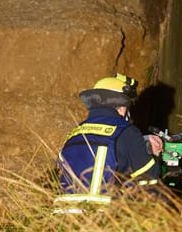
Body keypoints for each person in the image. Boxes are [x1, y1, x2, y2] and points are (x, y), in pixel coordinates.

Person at [55, 73, 163, 209]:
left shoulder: (74, 133)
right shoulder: (127, 131)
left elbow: (100, 145)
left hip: (63, 217)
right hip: (101, 216)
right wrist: (154, 154)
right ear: (123, 107)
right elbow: (149, 180)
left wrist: (140, 141)